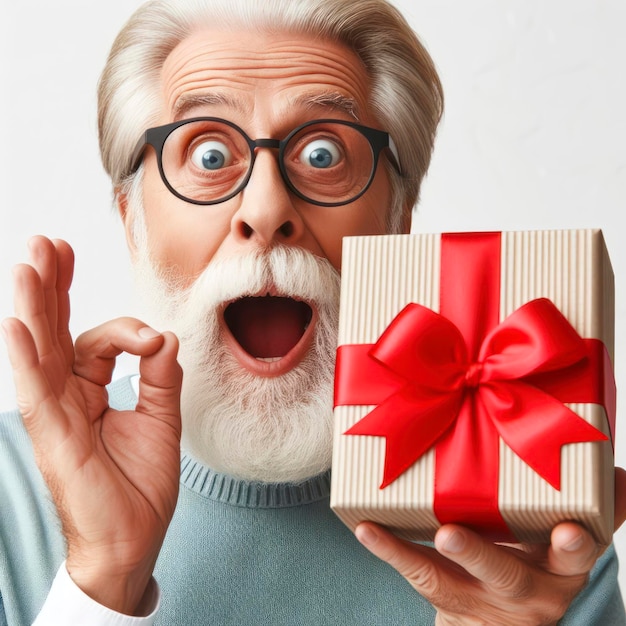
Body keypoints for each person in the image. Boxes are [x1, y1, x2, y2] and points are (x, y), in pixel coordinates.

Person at [1, 0, 625, 624]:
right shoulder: (11, 487)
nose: (267, 209)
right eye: (209, 156)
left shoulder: (529, 525)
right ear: (132, 218)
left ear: (397, 223)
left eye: (323, 153)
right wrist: (102, 575)